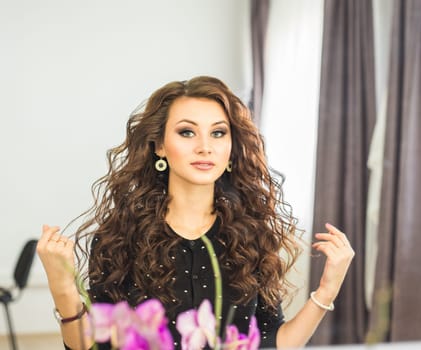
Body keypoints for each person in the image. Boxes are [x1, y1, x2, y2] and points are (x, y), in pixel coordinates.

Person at [37, 76, 354, 349]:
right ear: (159, 146)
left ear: (231, 147)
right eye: (187, 132)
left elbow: (271, 343)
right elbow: (94, 344)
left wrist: (328, 288)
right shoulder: (119, 237)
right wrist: (63, 288)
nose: (205, 147)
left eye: (218, 133)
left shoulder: (251, 237)